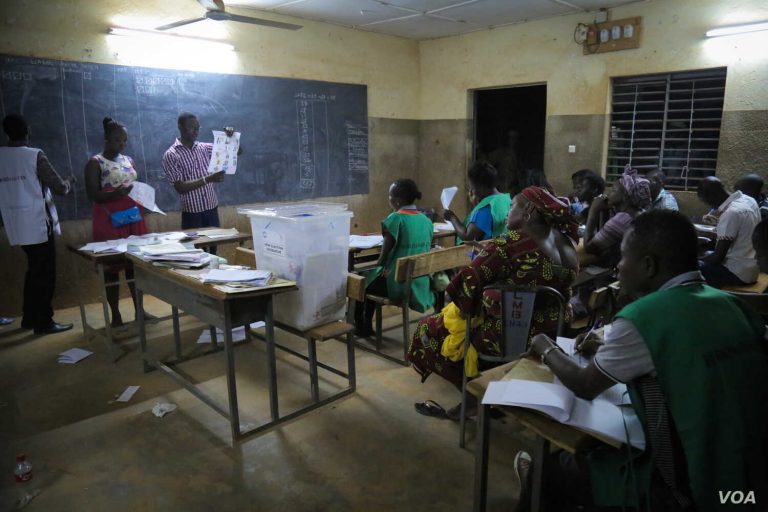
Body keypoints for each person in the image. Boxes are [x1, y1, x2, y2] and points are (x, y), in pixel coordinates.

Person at [520, 209, 768, 511]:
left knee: (548, 471)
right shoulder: (733, 305)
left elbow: (585, 385)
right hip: (750, 478)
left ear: (648, 265)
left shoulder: (644, 317)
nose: (618, 267)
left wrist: (545, 346)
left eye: (623, 258)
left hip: (689, 486)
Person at [409, 186, 578, 419]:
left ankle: (472, 398)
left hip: (512, 335)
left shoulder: (510, 242)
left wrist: (486, 262)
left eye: (512, 207)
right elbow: (535, 275)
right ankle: (497, 392)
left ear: (528, 210)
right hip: (555, 331)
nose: (507, 213)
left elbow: (462, 286)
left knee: (428, 329)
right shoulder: (565, 240)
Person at [0, 114, 75, 334]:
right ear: (28, 131)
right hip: (38, 223)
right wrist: (70, 181)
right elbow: (60, 187)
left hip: (15, 223)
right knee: (44, 274)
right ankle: (44, 322)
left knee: (34, 271)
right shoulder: (34, 155)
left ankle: (29, 317)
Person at [84, 117, 151, 327]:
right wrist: (116, 194)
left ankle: (140, 311)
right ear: (106, 139)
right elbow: (93, 195)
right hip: (109, 220)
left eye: (124, 140)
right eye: (117, 140)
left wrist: (144, 201)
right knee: (112, 267)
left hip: (132, 216)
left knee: (134, 265)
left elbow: (134, 185)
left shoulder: (128, 160)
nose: (121, 144)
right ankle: (115, 315)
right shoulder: (95, 163)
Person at [354, 179, 434, 337]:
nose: (388, 199)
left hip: (397, 285)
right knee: (370, 279)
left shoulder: (395, 219)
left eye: (389, 196)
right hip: (419, 282)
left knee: (360, 281)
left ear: (397, 200)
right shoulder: (426, 220)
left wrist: (378, 270)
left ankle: (363, 327)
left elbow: (382, 259)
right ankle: (366, 326)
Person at [161, 112, 237, 234]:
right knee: (196, 249)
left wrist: (230, 138)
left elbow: (236, 152)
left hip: (211, 209)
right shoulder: (171, 155)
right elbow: (180, 187)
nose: (195, 131)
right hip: (192, 214)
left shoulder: (204, 148)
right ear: (180, 127)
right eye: (191, 128)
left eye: (197, 128)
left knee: (213, 250)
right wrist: (209, 179)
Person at [696, 176, 760, 288]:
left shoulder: (731, 213)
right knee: (706, 255)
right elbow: (743, 230)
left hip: (737, 274)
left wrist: (693, 260)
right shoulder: (749, 200)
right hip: (752, 269)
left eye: (705, 201)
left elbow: (717, 259)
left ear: (710, 197)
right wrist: (719, 223)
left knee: (687, 270)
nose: (709, 205)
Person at [584, 165, 651, 266]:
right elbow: (604, 241)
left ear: (625, 196)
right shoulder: (638, 212)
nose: (608, 194)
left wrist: (593, 210)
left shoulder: (622, 220)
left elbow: (589, 248)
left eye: (614, 191)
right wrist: (604, 210)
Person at [443, 161, 511, 243]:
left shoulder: (486, 208)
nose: (472, 191)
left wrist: (452, 217)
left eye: (472, 187)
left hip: (486, 252)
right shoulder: (505, 199)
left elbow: (468, 236)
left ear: (481, 187)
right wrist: (477, 205)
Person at [487, 128, 520, 193]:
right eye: (510, 138)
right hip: (501, 186)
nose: (512, 140)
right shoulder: (501, 152)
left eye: (514, 138)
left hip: (513, 187)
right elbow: (487, 160)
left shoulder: (518, 154)